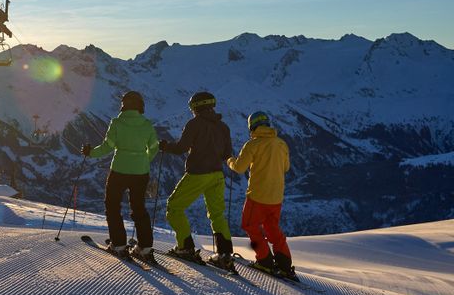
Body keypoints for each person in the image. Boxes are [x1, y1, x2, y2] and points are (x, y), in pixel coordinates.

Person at [160, 91, 236, 270]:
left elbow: (181, 148)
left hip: (198, 174)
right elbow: (227, 154)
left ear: (195, 107)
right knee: (217, 214)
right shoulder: (223, 127)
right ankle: (225, 254)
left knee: (174, 207)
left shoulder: (194, 124)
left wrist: (165, 147)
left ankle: (185, 247)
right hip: (217, 175)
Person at [81, 91, 160, 261]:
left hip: (119, 171)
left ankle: (119, 245)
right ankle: (145, 248)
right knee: (139, 208)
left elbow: (107, 147)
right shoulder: (147, 124)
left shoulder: (116, 123)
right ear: (141, 106)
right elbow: (154, 148)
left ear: (123, 105)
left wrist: (90, 153)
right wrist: (143, 160)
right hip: (141, 173)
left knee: (113, 206)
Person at [227, 111, 298, 281]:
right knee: (272, 229)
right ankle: (285, 265)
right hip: (276, 197)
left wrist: (229, 160)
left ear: (252, 127)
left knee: (250, 225)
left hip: (257, 195)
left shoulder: (253, 144)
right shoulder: (281, 144)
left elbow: (239, 168)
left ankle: (265, 260)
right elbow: (286, 167)